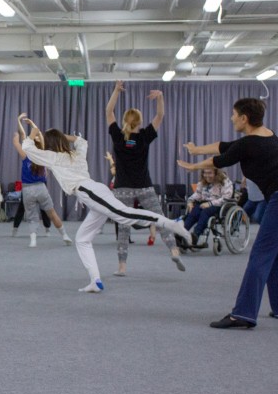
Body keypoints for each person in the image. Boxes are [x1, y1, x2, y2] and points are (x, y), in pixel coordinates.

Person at [179, 97, 278, 329]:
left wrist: (193, 166)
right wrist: (196, 150)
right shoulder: (267, 135)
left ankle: (243, 314)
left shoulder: (249, 143)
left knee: (260, 255)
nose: (231, 118)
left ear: (244, 118)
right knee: (273, 253)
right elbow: (224, 146)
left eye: (234, 115)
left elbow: (220, 158)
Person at [21, 116, 190, 293]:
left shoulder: (53, 157)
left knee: (125, 215)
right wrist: (62, 136)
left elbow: (27, 148)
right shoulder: (76, 154)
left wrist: (32, 134)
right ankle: (95, 281)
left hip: (89, 192)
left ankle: (172, 224)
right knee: (82, 239)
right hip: (94, 193)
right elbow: (81, 141)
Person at [105, 80, 185, 275]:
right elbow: (160, 115)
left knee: (123, 227)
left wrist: (116, 91)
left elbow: (109, 112)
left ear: (125, 120)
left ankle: (122, 267)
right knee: (159, 219)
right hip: (144, 186)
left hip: (122, 187)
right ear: (140, 121)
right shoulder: (144, 136)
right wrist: (160, 98)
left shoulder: (118, 136)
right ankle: (174, 250)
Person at [12, 113, 72, 248]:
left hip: (27, 190)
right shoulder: (43, 153)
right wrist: (32, 124)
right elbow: (37, 132)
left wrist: (18, 123)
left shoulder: (26, 153)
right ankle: (65, 235)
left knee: (32, 217)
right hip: (41, 188)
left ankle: (33, 240)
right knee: (52, 213)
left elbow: (20, 138)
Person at [182, 167, 233, 247]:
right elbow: (198, 194)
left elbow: (226, 198)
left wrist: (210, 203)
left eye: (210, 173)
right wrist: (190, 201)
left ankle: (196, 235)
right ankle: (181, 233)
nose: (207, 175)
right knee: (194, 211)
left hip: (218, 205)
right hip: (204, 203)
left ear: (216, 173)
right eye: (205, 173)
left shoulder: (224, 181)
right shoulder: (202, 182)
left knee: (205, 212)